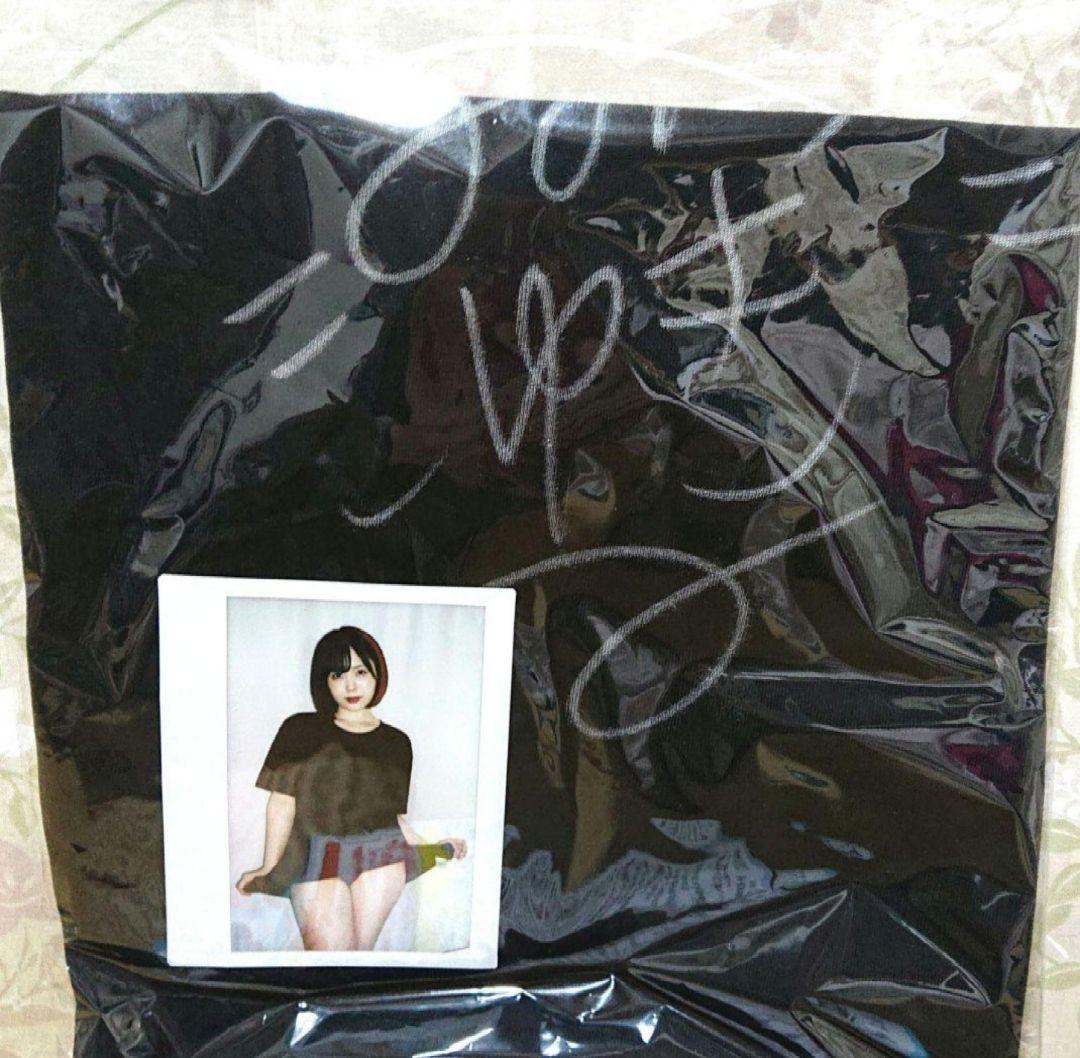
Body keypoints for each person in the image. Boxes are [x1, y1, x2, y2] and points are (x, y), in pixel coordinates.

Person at [235, 625, 468, 951]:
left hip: (382, 855)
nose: (350, 685)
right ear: (325, 681)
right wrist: (269, 865)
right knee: (330, 960)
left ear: (376, 673)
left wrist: (431, 846)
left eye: (360, 672)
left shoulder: (397, 742)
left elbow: (395, 818)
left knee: (358, 957)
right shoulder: (299, 729)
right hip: (315, 858)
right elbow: (281, 803)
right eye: (337, 675)